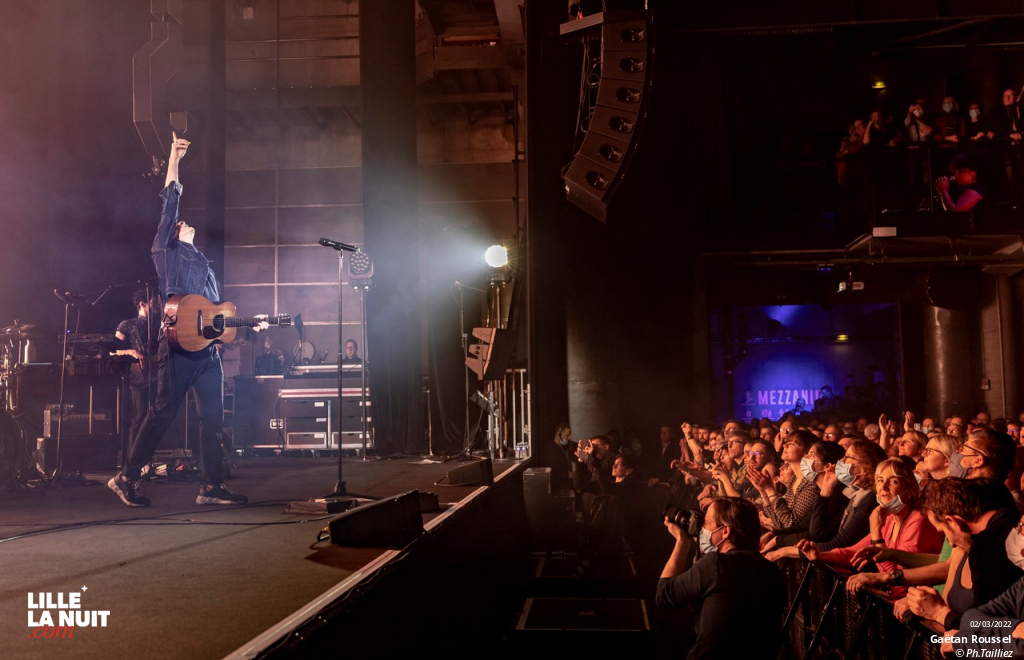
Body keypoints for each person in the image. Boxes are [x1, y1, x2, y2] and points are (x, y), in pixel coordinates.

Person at [109, 134, 267, 507]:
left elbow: (214, 315)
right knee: (162, 413)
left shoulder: (206, 267)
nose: (184, 223)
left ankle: (210, 487)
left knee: (212, 419)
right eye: (179, 224)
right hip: (177, 349)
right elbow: (170, 202)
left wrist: (246, 323)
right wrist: (174, 158)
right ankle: (126, 476)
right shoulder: (167, 251)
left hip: (207, 355)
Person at [656, 497, 786, 660]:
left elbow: (663, 595)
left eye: (707, 523)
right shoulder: (772, 569)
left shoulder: (717, 564)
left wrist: (683, 541)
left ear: (725, 531)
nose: (701, 528)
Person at [795, 457, 945, 595]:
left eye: (893, 481)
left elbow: (894, 577)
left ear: (910, 490)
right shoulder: (890, 518)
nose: (884, 487)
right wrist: (820, 556)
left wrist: (876, 532)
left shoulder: (919, 520)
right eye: (880, 480)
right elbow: (853, 552)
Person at [113, 288, 161, 447]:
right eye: (154, 303)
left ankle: (148, 459)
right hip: (138, 377)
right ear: (142, 304)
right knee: (140, 416)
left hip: (159, 375)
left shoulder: (160, 325)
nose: (158, 307)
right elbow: (112, 351)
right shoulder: (127, 325)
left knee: (156, 417)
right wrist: (132, 352)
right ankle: (134, 459)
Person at [542, 423, 578, 492]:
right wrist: (574, 475)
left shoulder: (564, 446)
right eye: (567, 435)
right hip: (559, 488)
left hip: (566, 484)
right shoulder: (551, 449)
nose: (569, 438)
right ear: (559, 434)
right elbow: (555, 472)